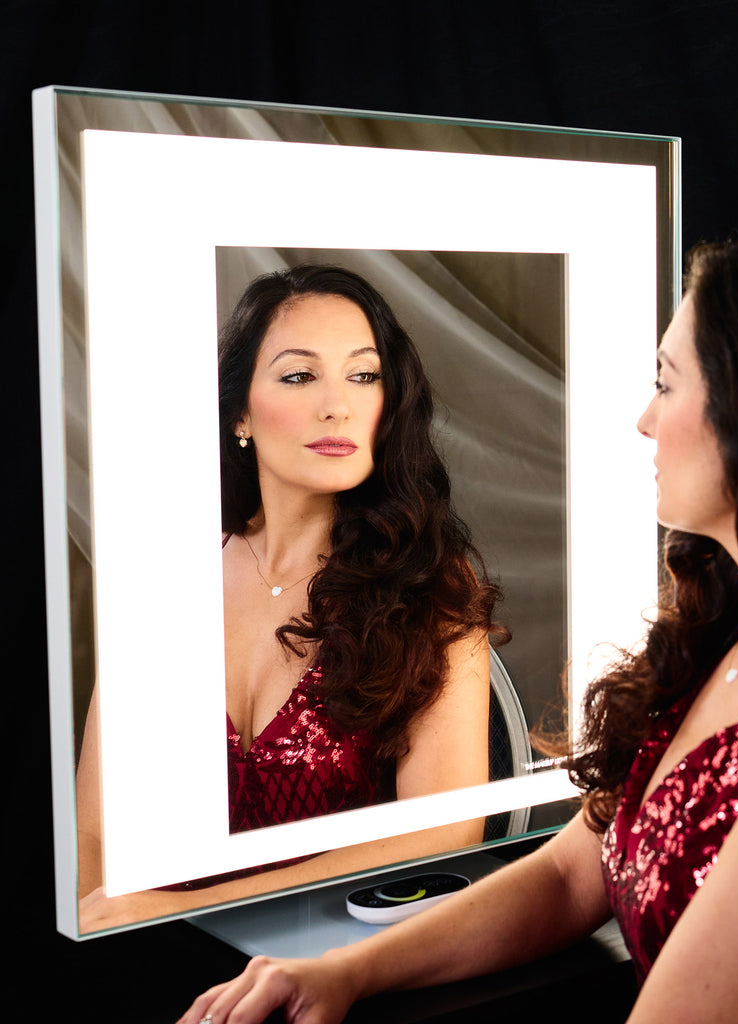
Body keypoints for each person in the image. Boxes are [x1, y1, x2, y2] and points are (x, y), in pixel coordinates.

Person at [177, 238, 738, 1024]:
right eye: (299, 374)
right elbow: (566, 878)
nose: (643, 419)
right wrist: (344, 973)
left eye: (664, 383)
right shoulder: (715, 637)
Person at [76, 264, 506, 930]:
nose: (336, 404)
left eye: (363, 376)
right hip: (151, 949)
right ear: (241, 411)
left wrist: (184, 906)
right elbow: (96, 832)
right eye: (299, 376)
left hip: (332, 960)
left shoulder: (431, 589)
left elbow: (444, 833)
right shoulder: (160, 579)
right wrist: (101, 938)